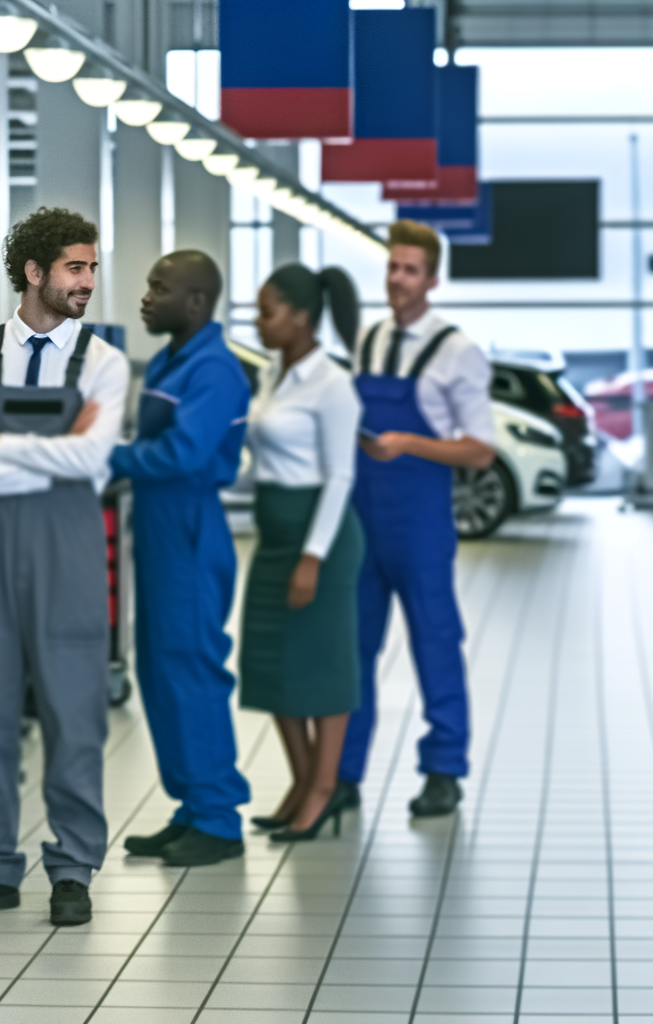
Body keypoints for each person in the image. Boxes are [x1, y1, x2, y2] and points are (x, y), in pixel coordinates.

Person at [0, 207, 128, 925]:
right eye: (76, 267)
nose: (88, 282)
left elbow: (93, 459)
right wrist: (48, 457)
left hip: (70, 556)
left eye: (92, 268)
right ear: (34, 271)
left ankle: (72, 868)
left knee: (76, 713)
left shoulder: (104, 364)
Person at [339, 220, 495, 819]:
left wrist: (410, 443)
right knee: (353, 649)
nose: (397, 279)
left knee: (435, 641)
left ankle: (443, 769)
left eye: (409, 270)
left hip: (421, 523)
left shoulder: (458, 352)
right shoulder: (368, 341)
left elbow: (480, 450)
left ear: (433, 279)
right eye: (391, 267)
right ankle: (346, 773)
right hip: (363, 518)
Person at [112, 251, 252, 867]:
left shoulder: (215, 369)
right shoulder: (175, 357)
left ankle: (219, 817)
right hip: (161, 525)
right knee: (161, 673)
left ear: (196, 302)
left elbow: (184, 454)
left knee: (193, 670)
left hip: (191, 526)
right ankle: (192, 805)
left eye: (159, 288)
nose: (146, 297)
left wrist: (104, 459)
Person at [240, 264, 367, 842]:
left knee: (323, 666)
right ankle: (300, 780)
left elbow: (341, 476)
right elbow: (260, 462)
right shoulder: (272, 373)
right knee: (271, 664)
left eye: (268, 312)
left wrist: (313, 557)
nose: (259, 323)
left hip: (323, 538)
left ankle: (323, 789)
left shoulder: (331, 382)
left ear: (301, 316)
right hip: (274, 533)